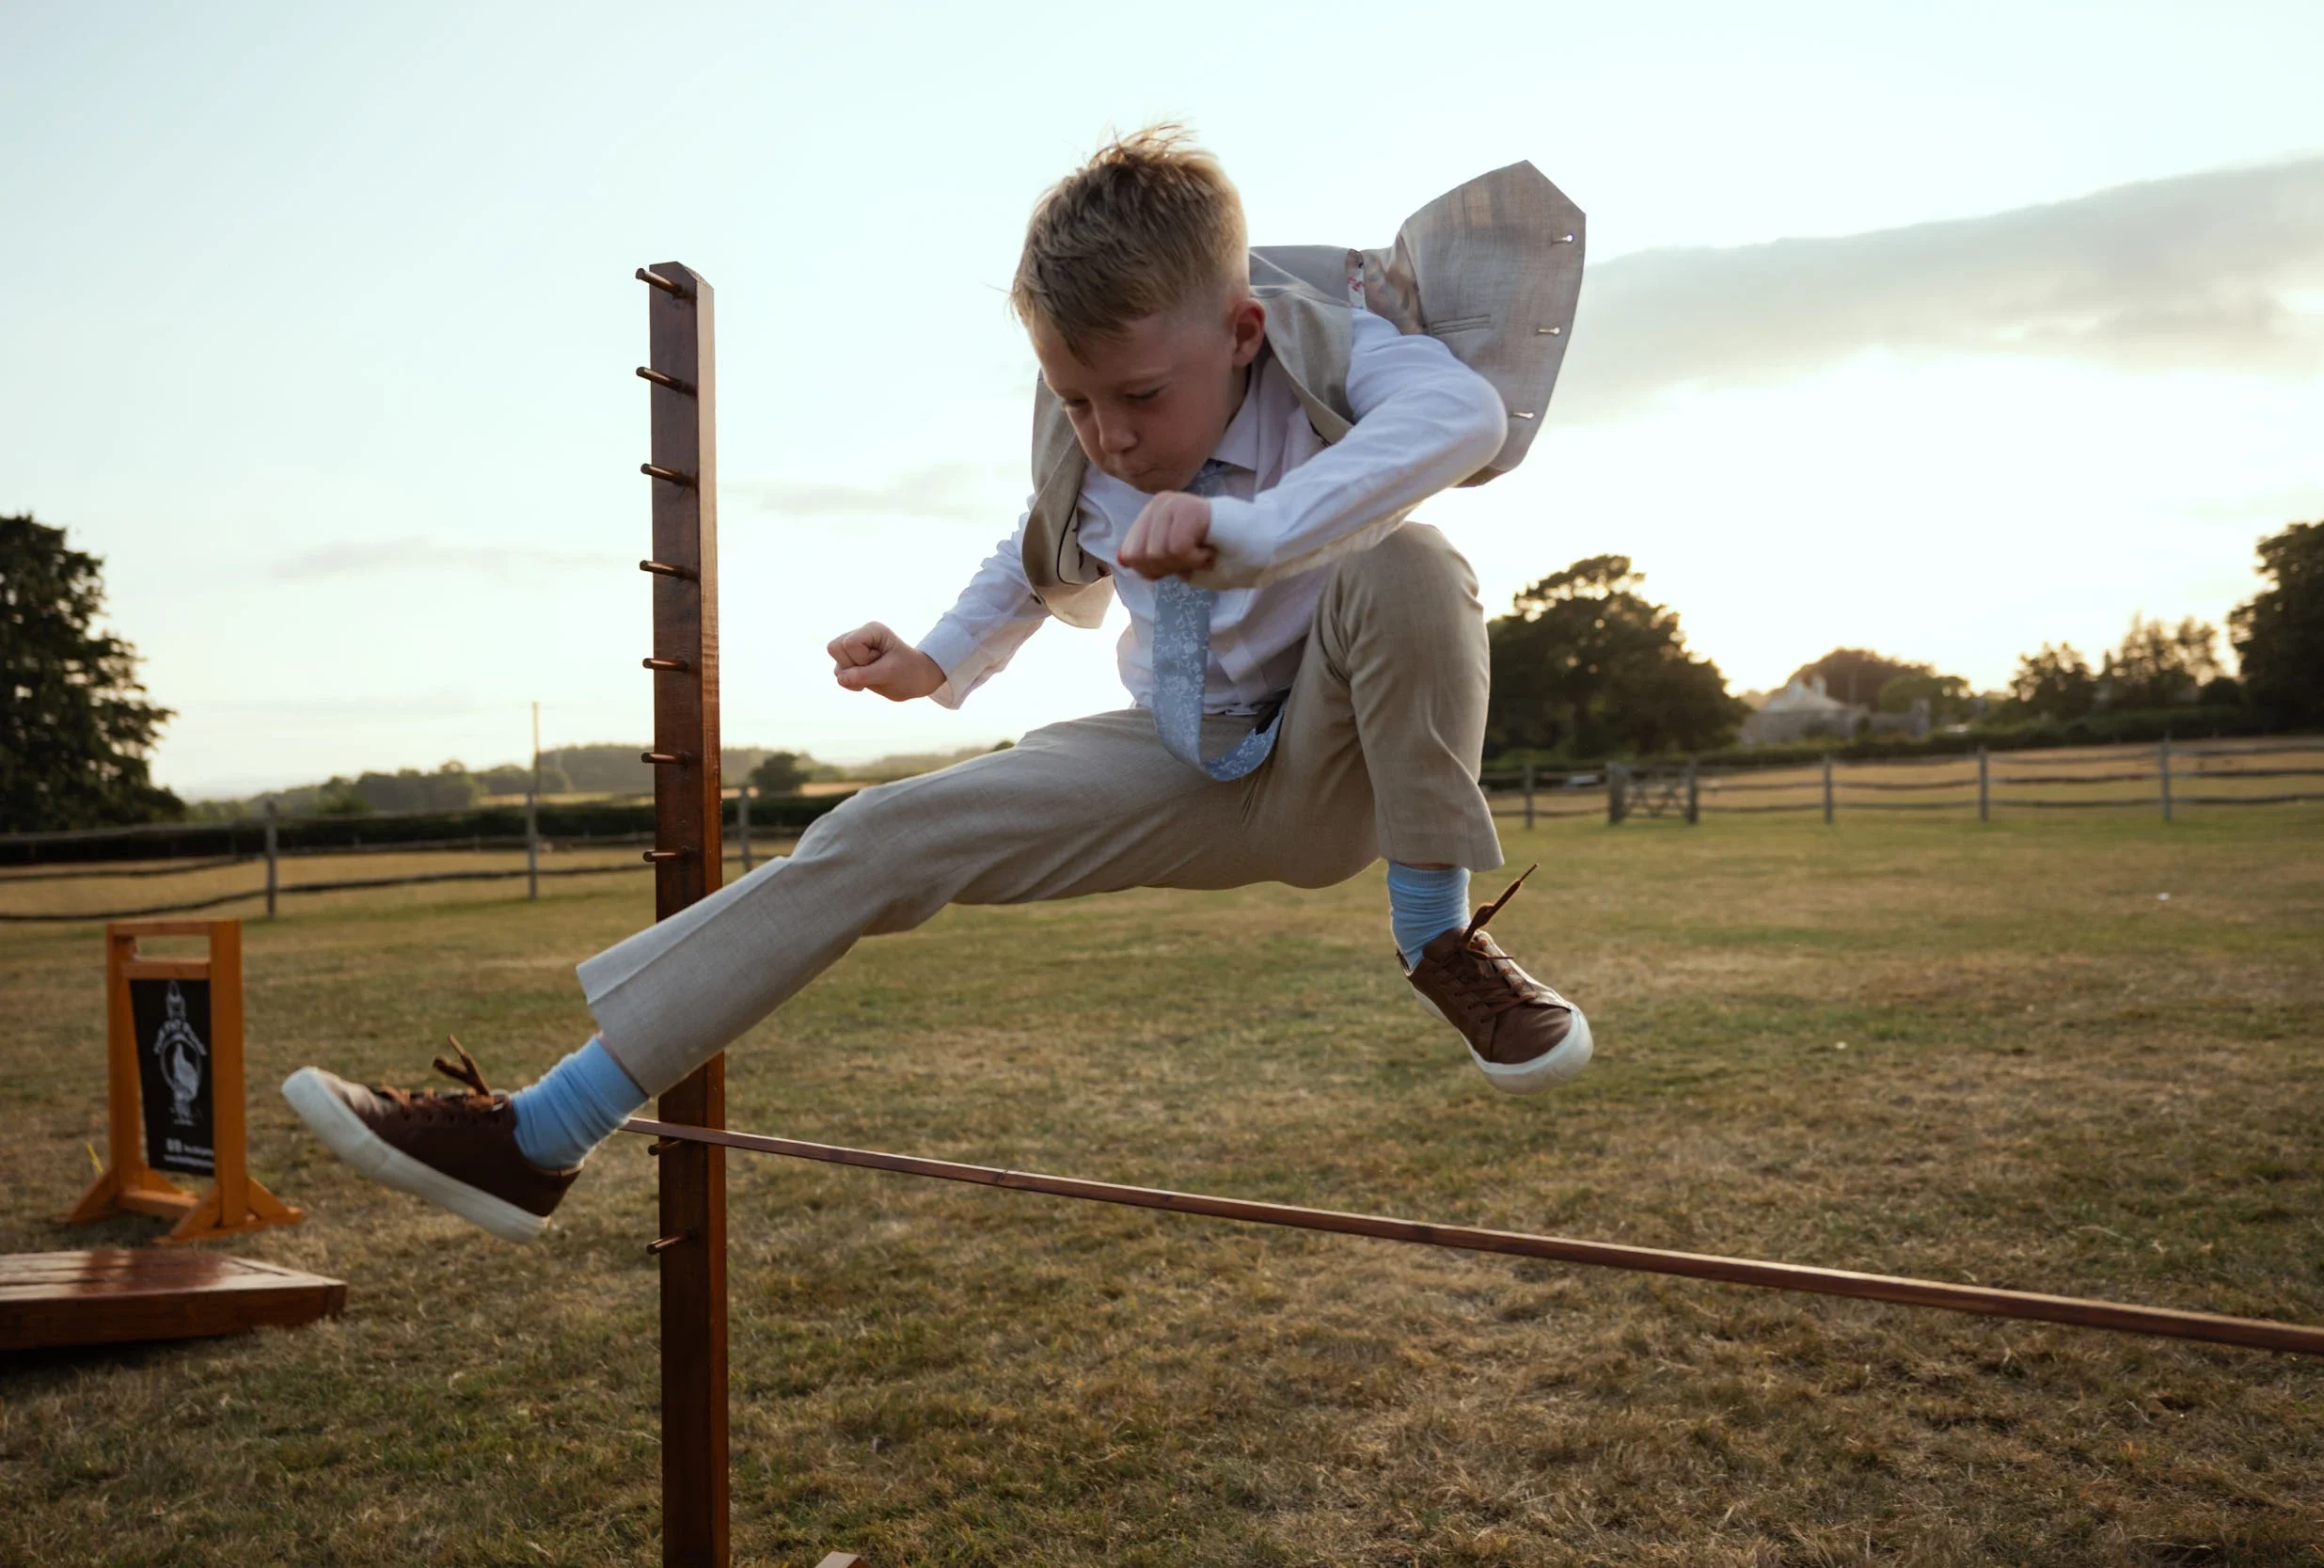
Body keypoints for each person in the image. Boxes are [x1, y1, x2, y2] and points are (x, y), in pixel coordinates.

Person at [283, 126, 1592, 1244]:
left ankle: (1439, 939)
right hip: (1186, 760)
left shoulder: (1337, 346)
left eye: (1137, 395)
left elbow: (1463, 423)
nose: (1112, 433)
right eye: (1077, 399)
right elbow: (1028, 558)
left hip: (1337, 762)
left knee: (1414, 563)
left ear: (1240, 330)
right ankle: (539, 1133)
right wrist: (933, 660)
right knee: (872, 834)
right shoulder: (1091, 444)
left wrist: (1252, 530)